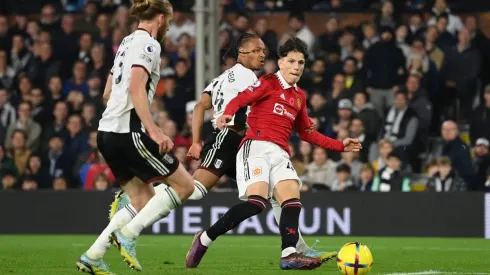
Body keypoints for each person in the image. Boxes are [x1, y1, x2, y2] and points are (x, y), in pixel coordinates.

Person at [110, 33, 335, 260]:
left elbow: (200, 106)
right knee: (194, 189)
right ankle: (137, 205)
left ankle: (296, 249)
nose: (262, 55)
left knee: (275, 195)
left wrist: (196, 141)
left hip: (241, 144)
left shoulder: (222, 78)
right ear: (243, 53)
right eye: (257, 51)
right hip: (229, 139)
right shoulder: (248, 77)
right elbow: (249, 104)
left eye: (264, 51)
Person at [186, 38, 362, 270]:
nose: (296, 67)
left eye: (301, 62)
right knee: (257, 203)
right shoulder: (268, 82)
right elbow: (241, 99)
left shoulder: (299, 97)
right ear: (280, 62)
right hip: (255, 147)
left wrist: (341, 145)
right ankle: (205, 238)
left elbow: (308, 134)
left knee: (291, 197)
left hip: (280, 152)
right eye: (291, 61)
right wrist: (227, 114)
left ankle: (289, 253)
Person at [76, 1, 198, 274]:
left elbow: (109, 93)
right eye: (168, 20)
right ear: (160, 17)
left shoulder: (126, 42)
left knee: (142, 201)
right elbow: (135, 87)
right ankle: (128, 235)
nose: (168, 25)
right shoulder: (149, 44)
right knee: (185, 186)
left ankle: (93, 255)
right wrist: (153, 130)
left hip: (106, 132)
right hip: (126, 133)